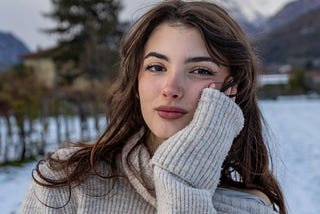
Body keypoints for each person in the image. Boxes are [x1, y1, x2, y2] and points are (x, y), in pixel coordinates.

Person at [19, 0, 286, 213]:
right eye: (156, 67)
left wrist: (183, 181)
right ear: (136, 81)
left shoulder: (249, 208)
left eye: (201, 70)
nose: (171, 88)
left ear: (232, 90)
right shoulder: (66, 181)